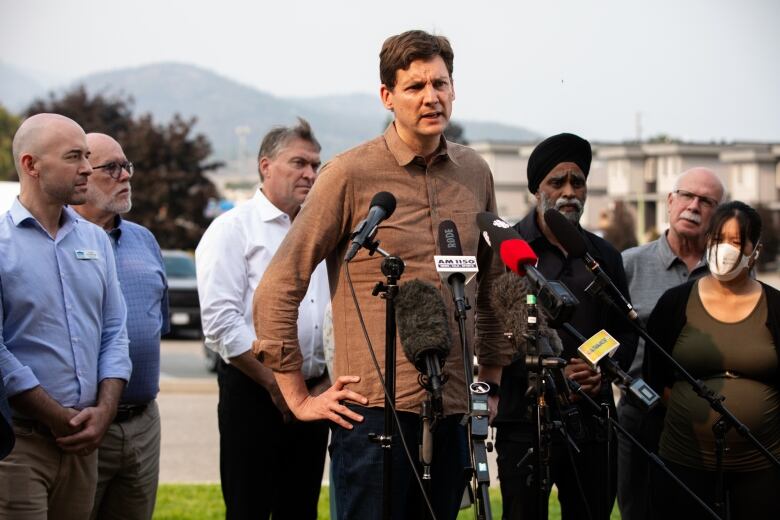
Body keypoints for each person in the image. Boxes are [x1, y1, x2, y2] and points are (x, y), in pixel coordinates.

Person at [252, 30, 510, 520]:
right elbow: (278, 286)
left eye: (441, 83)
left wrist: (491, 383)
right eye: (415, 87)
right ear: (387, 96)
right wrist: (299, 398)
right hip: (371, 415)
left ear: (454, 89)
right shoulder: (348, 174)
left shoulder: (475, 172)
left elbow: (493, 286)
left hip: (454, 408)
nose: (431, 97)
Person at [491, 132, 636, 520]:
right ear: (536, 190)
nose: (569, 191)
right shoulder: (508, 249)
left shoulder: (603, 255)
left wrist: (595, 366)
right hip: (524, 419)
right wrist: (553, 374)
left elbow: (624, 331)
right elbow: (490, 333)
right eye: (557, 182)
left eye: (578, 182)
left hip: (593, 418)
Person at [196, 118, 330, 520]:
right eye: (299, 163)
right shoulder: (232, 229)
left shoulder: (322, 232)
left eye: (315, 165)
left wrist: (320, 384)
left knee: (300, 509)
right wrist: (278, 386)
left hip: (313, 394)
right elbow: (221, 322)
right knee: (249, 507)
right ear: (265, 165)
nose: (309, 173)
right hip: (255, 392)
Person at [0, 113, 131, 519]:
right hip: (19, 444)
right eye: (74, 156)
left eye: (88, 156)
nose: (88, 169)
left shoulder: (95, 240)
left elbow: (114, 332)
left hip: (83, 445)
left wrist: (104, 411)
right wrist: (57, 417)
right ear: (31, 165)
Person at [644, 201, 780, 519]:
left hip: (761, 465)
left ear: (754, 250)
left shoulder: (775, 306)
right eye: (718, 239)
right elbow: (655, 374)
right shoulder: (675, 303)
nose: (723, 250)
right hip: (685, 460)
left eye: (735, 242)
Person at [71, 133, 169, 520]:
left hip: (144, 421)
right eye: (111, 168)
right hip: (86, 426)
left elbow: (154, 322)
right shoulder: (59, 241)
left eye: (126, 165)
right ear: (81, 174)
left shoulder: (143, 240)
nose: (125, 175)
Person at [618, 167, 725, 520]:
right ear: (669, 201)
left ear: (717, 214)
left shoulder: (728, 273)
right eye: (686, 196)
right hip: (641, 416)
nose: (693, 206)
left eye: (706, 201)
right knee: (639, 509)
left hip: (708, 419)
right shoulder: (629, 264)